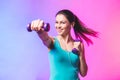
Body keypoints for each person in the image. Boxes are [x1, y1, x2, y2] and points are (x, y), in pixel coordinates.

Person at [30, 9, 98, 80]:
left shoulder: (78, 44)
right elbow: (45, 38)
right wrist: (40, 31)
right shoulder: (52, 42)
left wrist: (80, 55)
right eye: (56, 22)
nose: (58, 26)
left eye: (62, 23)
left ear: (72, 24)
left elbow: (83, 73)